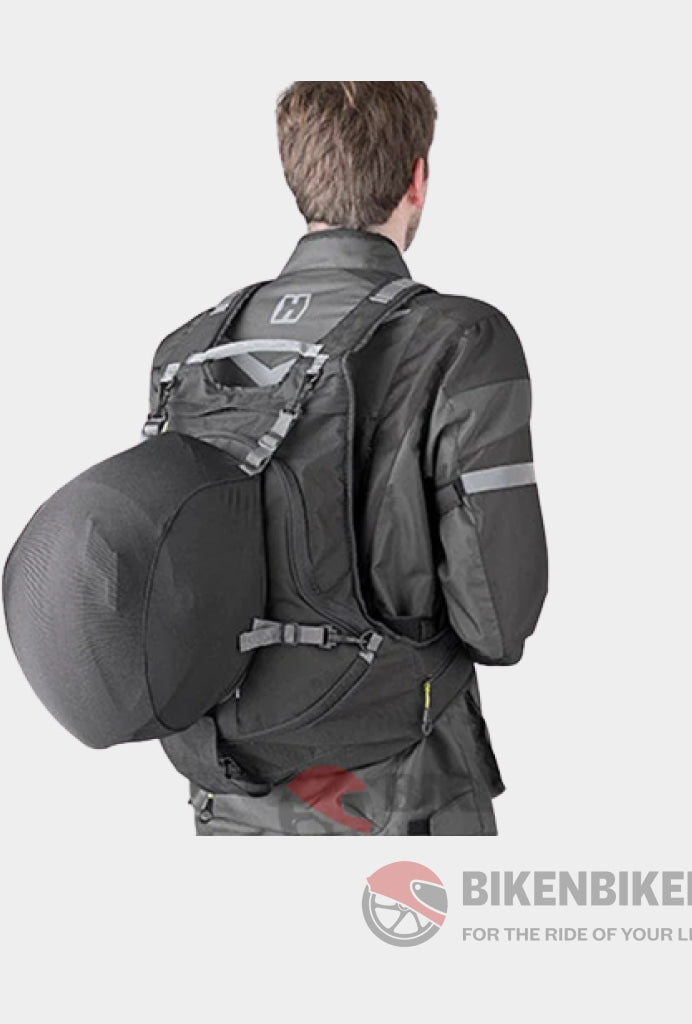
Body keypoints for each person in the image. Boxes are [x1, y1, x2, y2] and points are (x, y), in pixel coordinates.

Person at [171, 81, 547, 835]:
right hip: (400, 792)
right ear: (417, 177)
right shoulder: (462, 341)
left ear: (294, 172)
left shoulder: (190, 350)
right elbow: (499, 623)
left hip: (229, 793)